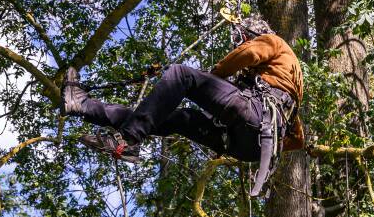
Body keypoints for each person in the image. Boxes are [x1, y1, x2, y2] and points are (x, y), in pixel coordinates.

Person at [62, 15, 304, 179]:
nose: (238, 45)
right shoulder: (287, 88)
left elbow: (249, 53)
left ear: (252, 34)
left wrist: (213, 77)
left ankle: (127, 141)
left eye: (239, 40)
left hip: (253, 115)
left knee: (182, 74)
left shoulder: (274, 42)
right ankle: (83, 106)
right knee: (175, 118)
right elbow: (297, 140)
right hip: (249, 147)